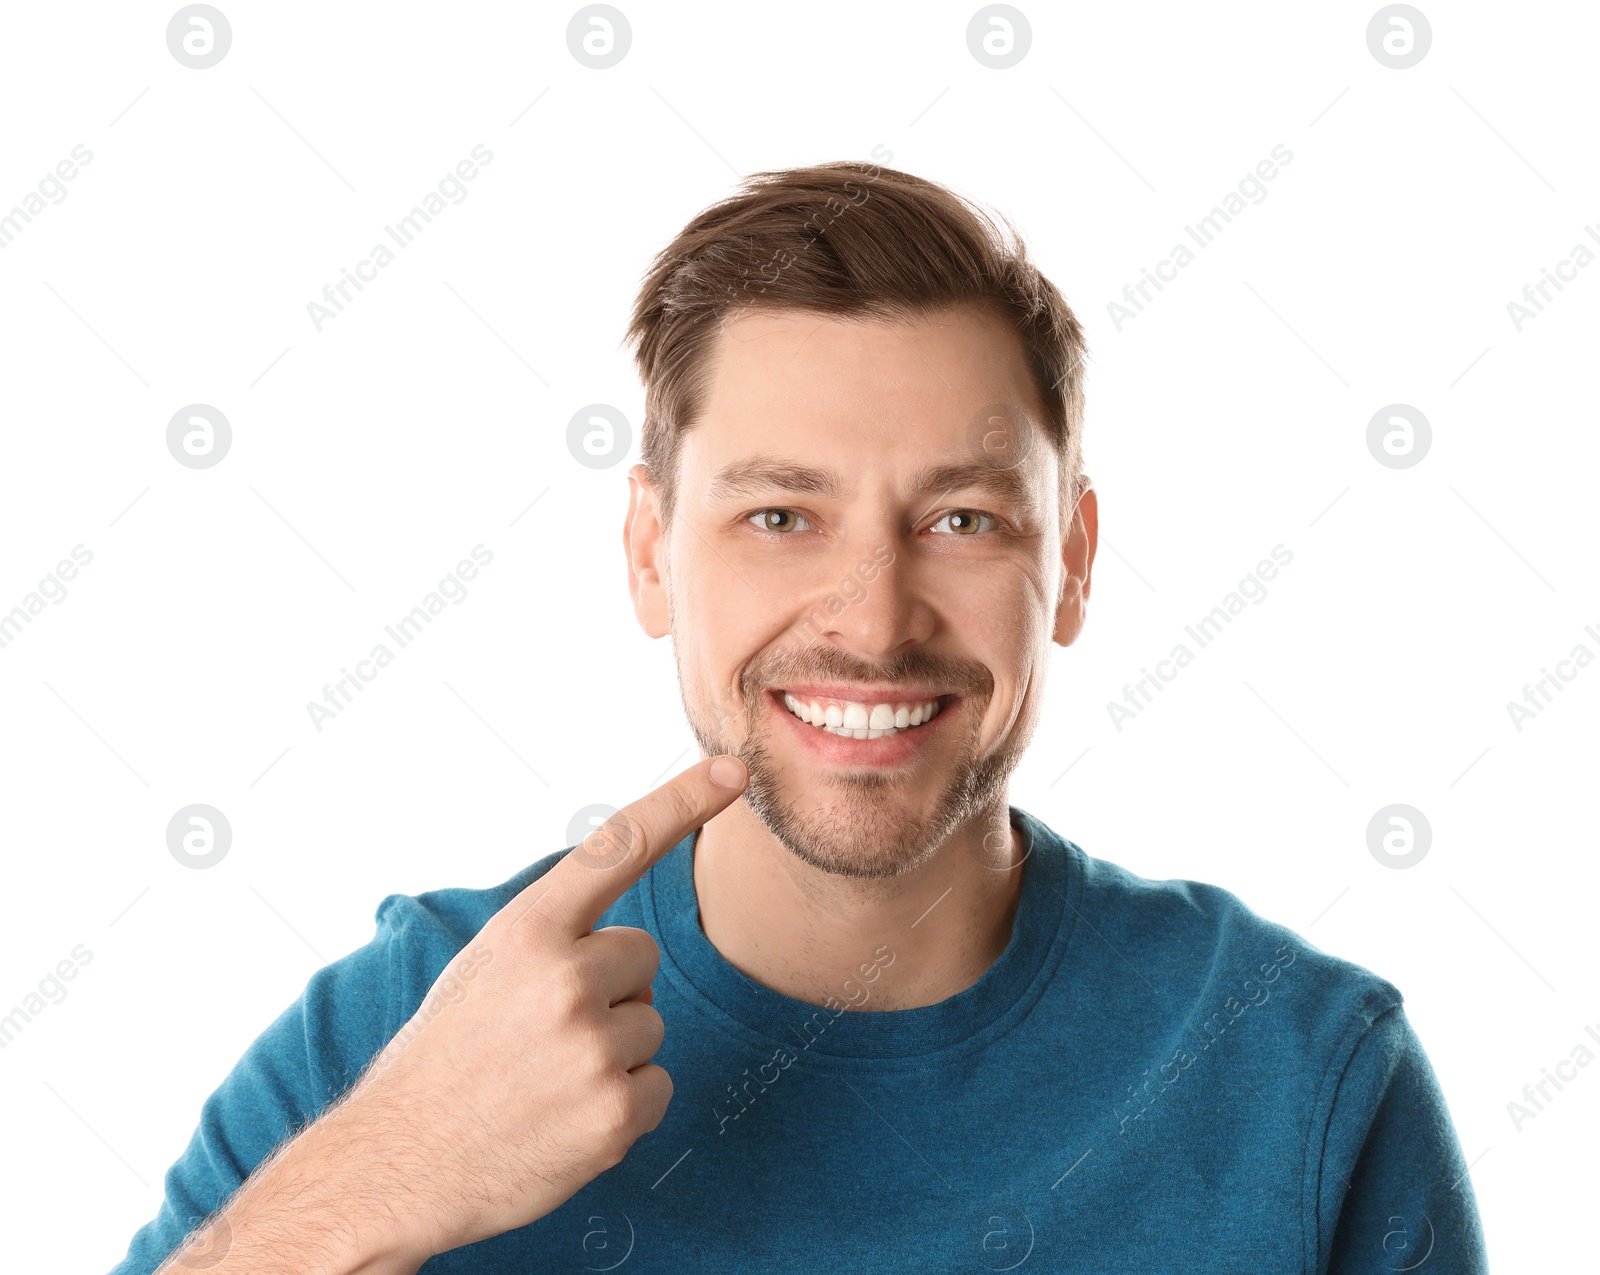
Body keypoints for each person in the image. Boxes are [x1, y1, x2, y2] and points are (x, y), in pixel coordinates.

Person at [114, 161, 1487, 1274]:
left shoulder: (1296, 1079)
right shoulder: (414, 1028)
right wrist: (384, 1177)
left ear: (1069, 561)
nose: (874, 619)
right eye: (781, 516)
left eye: (961, 519)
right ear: (651, 554)